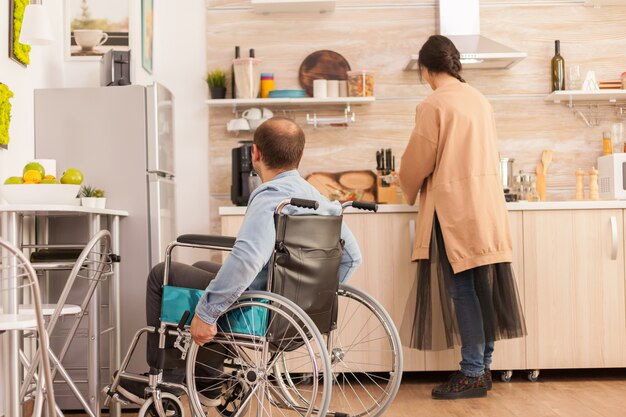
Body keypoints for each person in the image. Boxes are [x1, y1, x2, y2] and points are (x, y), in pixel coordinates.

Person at [137, 116, 362, 406]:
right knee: (202, 269)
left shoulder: (271, 197)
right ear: (300, 156)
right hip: (297, 313)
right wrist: (309, 297)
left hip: (262, 308)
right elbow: (353, 257)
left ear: (255, 153)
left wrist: (207, 314)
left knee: (161, 274)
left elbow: (247, 259)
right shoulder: (318, 200)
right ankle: (207, 378)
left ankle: (164, 378)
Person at [398, 35, 526, 400]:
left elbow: (418, 162)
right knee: (480, 286)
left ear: (425, 68)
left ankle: (472, 373)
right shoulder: (479, 100)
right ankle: (481, 368)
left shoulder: (433, 104)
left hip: (453, 207)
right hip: (484, 205)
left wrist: (403, 181)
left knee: (463, 290)